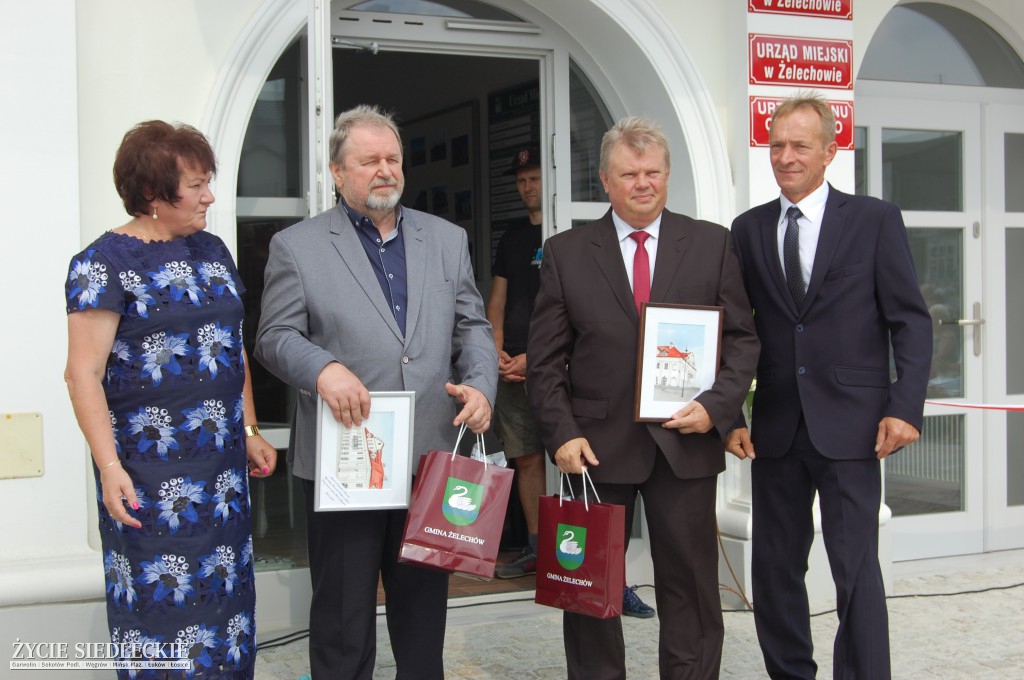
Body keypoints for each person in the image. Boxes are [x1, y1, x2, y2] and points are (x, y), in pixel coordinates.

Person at [254, 104, 497, 679]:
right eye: (369, 161)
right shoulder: (299, 246)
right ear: (338, 172)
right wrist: (323, 370)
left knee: (422, 620)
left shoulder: (446, 238)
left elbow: (473, 327)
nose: (385, 170)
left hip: (429, 459)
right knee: (342, 620)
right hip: (348, 463)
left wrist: (483, 385)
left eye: (393, 159)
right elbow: (274, 336)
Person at [527, 116, 759, 679]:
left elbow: (743, 341)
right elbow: (543, 363)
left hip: (685, 442)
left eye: (653, 172)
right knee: (589, 588)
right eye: (629, 174)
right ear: (605, 181)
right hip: (592, 450)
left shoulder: (711, 243)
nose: (642, 183)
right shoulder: (565, 253)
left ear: (668, 175)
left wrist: (717, 408)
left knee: (691, 586)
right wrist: (560, 435)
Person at [727, 93, 933, 680]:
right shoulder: (748, 229)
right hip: (775, 429)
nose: (785, 157)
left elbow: (910, 321)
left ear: (829, 151)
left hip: (856, 427)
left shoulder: (873, 220)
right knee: (774, 569)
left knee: (856, 571)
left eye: (799, 145)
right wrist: (730, 414)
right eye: (776, 145)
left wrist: (905, 407)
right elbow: (738, 331)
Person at [64, 120, 278, 678]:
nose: (210, 195)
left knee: (228, 616)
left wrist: (251, 431)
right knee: (162, 616)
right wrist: (109, 467)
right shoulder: (101, 264)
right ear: (155, 193)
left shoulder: (212, 250)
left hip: (221, 476)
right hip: (149, 477)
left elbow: (231, 348)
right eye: (197, 184)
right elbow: (81, 374)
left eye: (209, 181)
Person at [486, 146, 546, 579]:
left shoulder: (567, 233)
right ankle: (537, 548)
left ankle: (585, 556)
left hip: (554, 366)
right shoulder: (512, 236)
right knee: (524, 457)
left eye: (535, 178)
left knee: (574, 454)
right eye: (522, 181)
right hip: (512, 367)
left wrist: (536, 357)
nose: (527, 187)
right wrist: (497, 350)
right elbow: (498, 300)